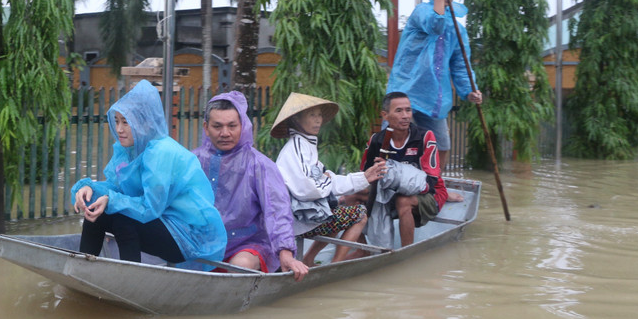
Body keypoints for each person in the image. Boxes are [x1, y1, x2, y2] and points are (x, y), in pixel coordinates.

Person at [71, 80, 226, 265]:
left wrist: (110, 199)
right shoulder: (129, 149)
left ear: (143, 124)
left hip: (187, 235)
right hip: (160, 221)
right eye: (117, 121)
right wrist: (88, 188)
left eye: (126, 122)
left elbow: (149, 208)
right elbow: (116, 187)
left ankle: (131, 280)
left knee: (123, 219)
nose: (119, 129)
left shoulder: (161, 152)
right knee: (94, 211)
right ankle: (82, 269)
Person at [191, 91, 309, 280]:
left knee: (241, 265)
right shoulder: (192, 161)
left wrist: (285, 251)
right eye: (217, 126)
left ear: (243, 126)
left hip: (247, 243)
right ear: (206, 128)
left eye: (232, 126)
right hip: (202, 242)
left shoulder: (259, 165)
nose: (225, 133)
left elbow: (277, 211)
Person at [271, 93, 385, 265]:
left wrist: (364, 177)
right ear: (296, 120)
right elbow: (309, 188)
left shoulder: (306, 145)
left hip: (307, 214)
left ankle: (308, 259)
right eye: (312, 115)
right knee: (360, 214)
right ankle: (335, 265)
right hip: (297, 219)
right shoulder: (296, 147)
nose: (318, 120)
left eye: (319, 115)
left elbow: (327, 179)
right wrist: (325, 179)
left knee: (334, 207)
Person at [387, 0, 483, 164]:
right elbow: (435, 25)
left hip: (433, 96)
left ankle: (435, 186)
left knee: (441, 145)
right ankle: (386, 185)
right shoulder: (421, 12)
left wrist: (469, 90)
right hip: (406, 89)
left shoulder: (458, 29)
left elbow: (461, 64)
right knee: (395, 141)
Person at [360, 91, 454, 247]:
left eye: (408, 110)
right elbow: (364, 177)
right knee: (351, 198)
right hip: (390, 194)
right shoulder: (376, 140)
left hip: (429, 194)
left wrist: (396, 177)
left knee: (402, 201)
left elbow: (430, 182)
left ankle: (406, 250)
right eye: (399, 111)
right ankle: (361, 249)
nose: (405, 116)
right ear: (385, 115)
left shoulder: (424, 137)